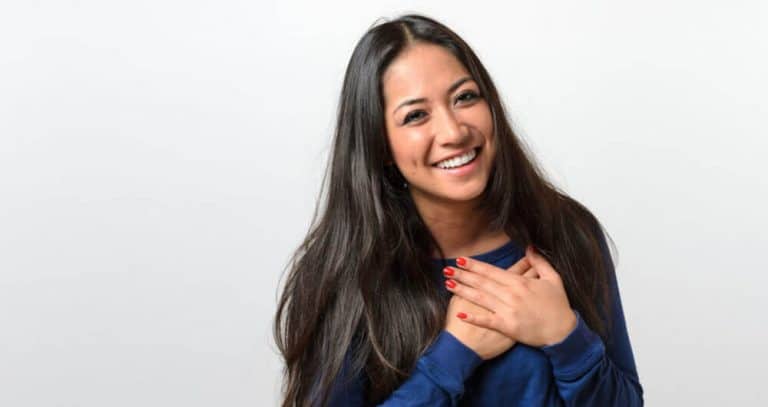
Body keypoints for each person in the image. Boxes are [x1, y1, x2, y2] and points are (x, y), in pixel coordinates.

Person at [274, 14, 643, 406]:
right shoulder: (342, 274)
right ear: (380, 145)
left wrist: (565, 336)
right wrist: (452, 357)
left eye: (465, 97)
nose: (454, 132)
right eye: (416, 115)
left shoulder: (567, 231)